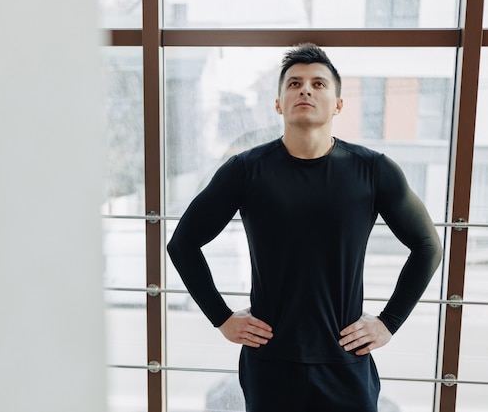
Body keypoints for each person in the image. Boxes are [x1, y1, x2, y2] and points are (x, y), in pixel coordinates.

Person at [167, 43, 443, 412]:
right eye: (294, 84)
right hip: (271, 362)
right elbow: (183, 244)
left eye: (318, 84)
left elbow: (428, 246)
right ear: (279, 103)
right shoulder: (246, 170)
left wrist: (388, 322)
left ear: (338, 104)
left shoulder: (373, 170)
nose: (306, 90)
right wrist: (222, 317)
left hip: (345, 359)